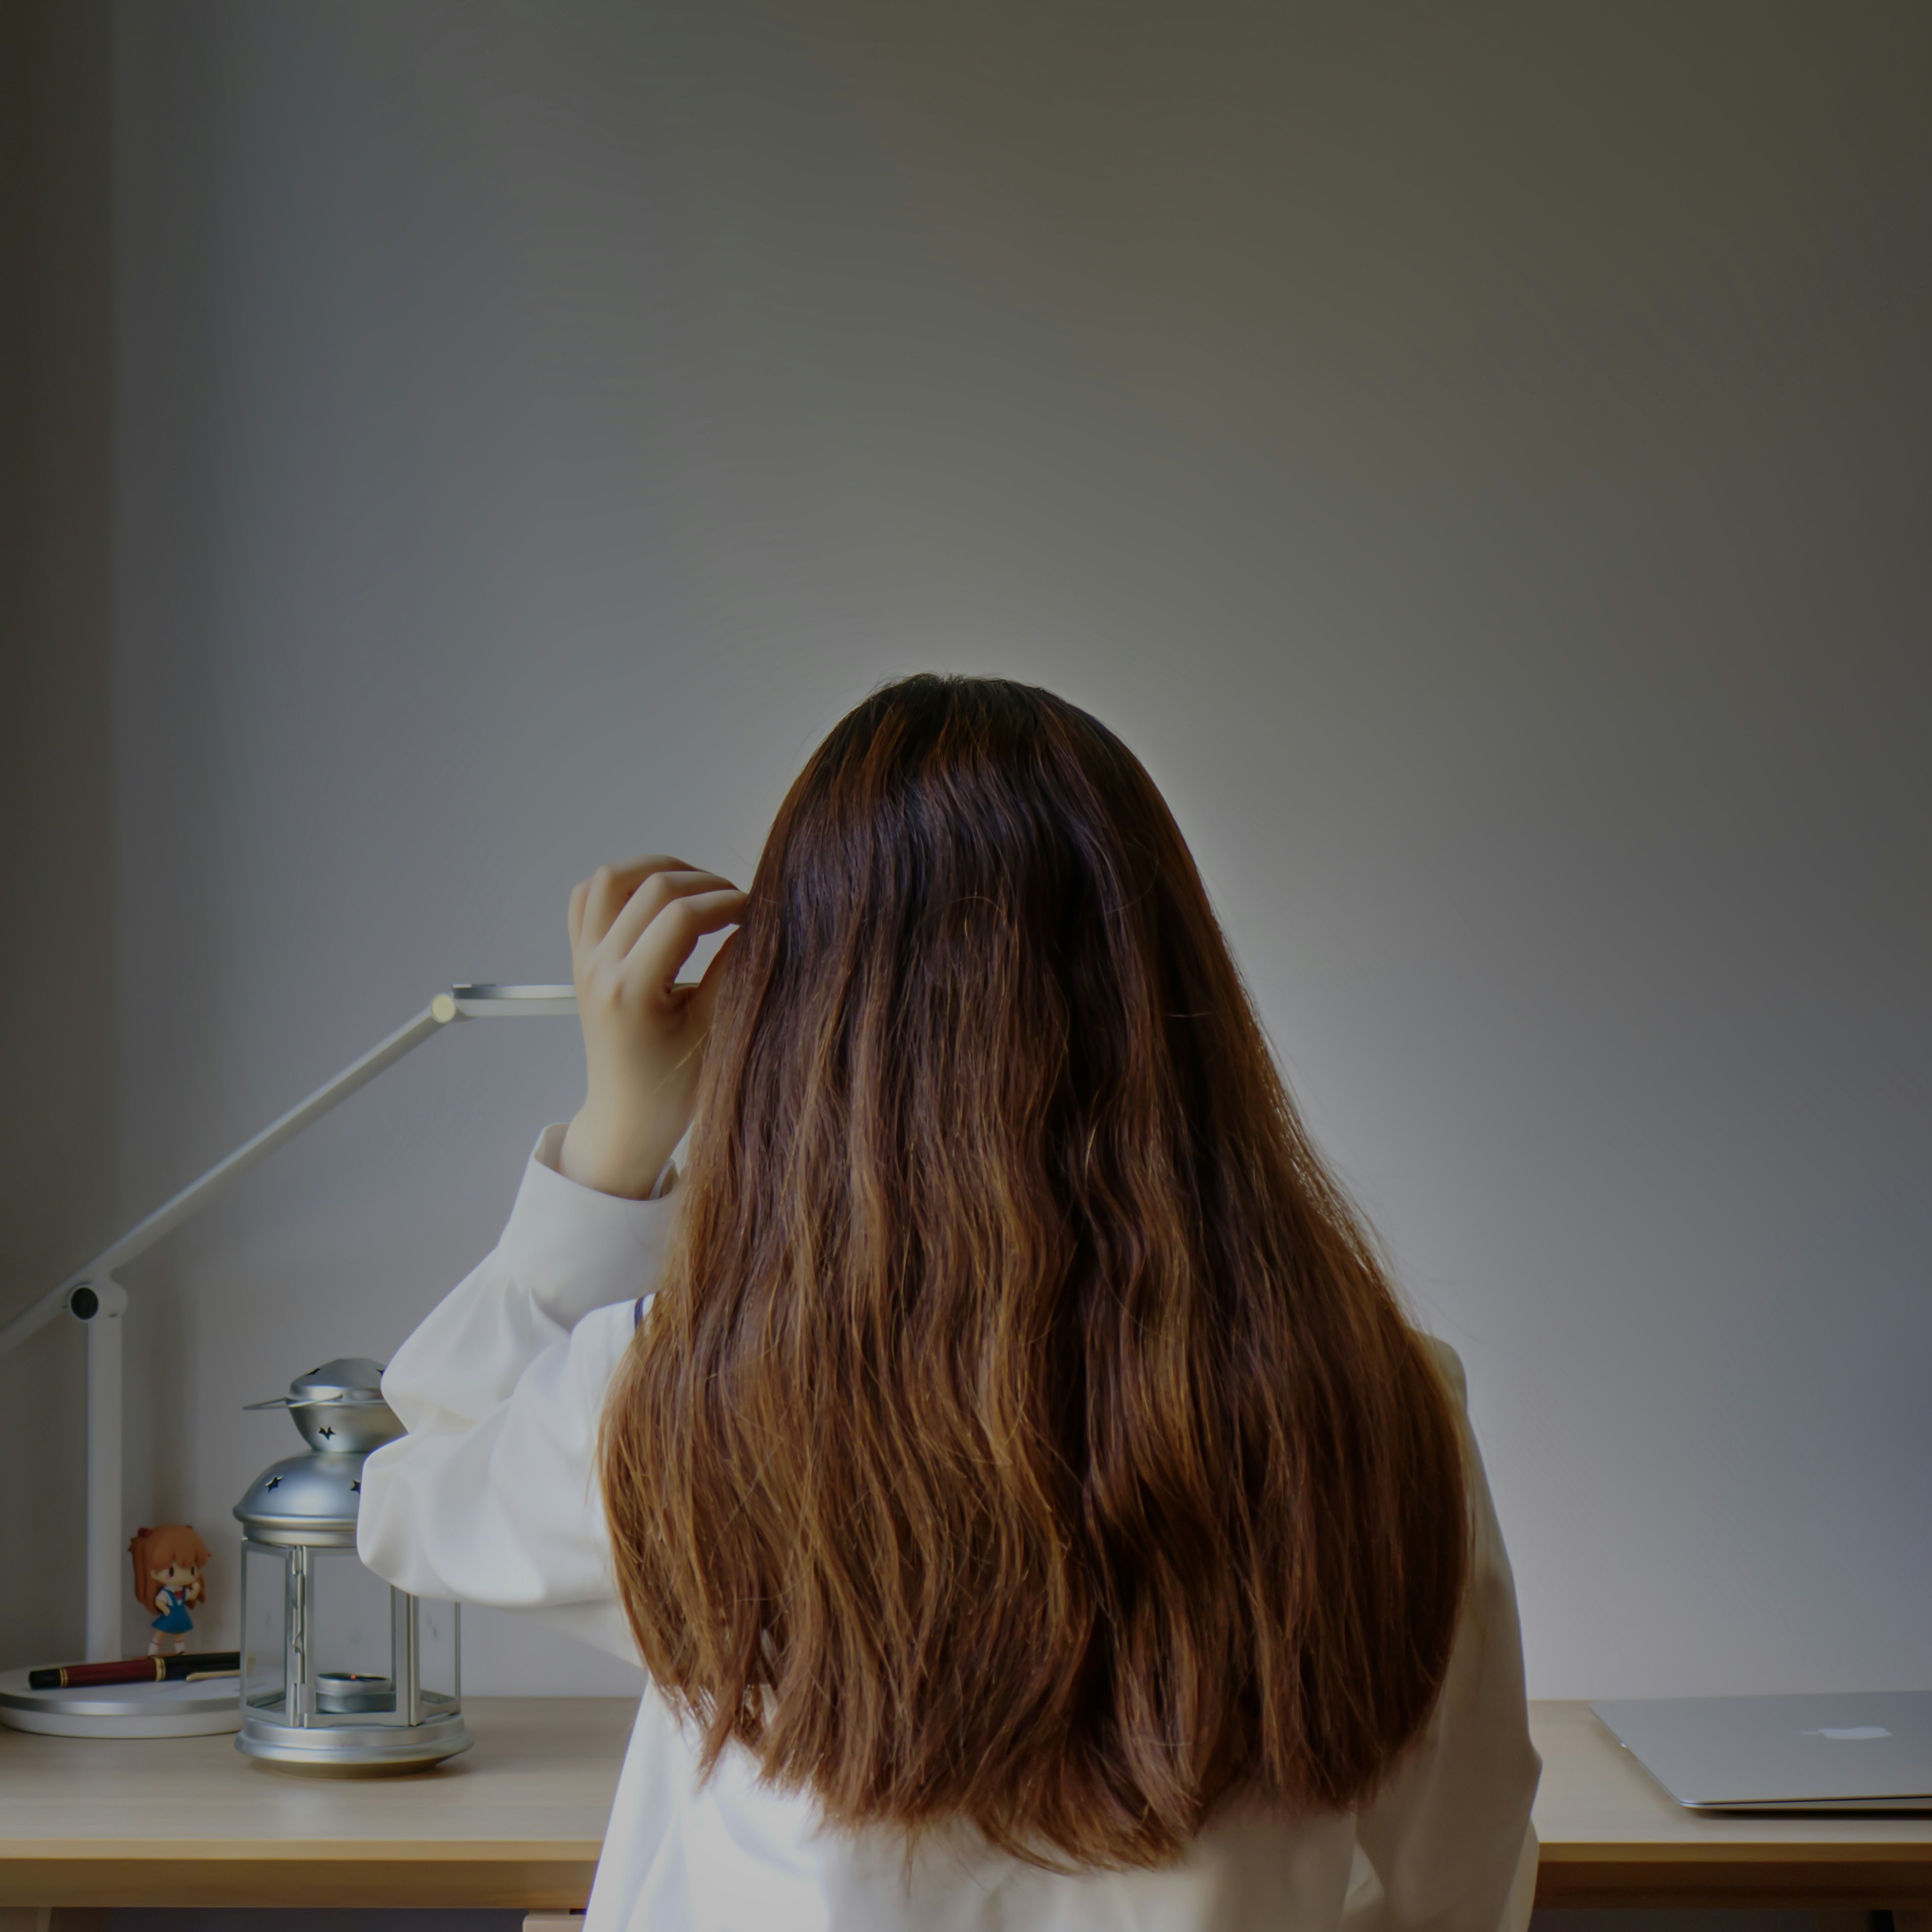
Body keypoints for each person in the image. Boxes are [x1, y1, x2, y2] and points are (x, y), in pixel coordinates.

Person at [359, 674, 1539, 1932]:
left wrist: (617, 1136)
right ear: (1174, 1006)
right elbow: (1455, 1877)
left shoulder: (691, 1405)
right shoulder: (1380, 1405)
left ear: (807, 1026)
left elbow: (416, 1490)